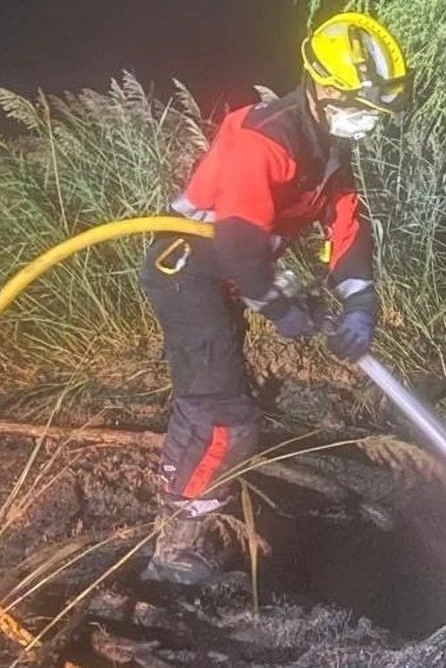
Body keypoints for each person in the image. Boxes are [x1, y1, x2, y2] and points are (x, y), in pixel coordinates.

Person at [139, 12, 411, 584]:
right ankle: (173, 551)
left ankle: (190, 476)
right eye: (367, 106)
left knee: (213, 393)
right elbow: (238, 243)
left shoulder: (328, 146)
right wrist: (282, 307)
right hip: (190, 273)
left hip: (230, 273)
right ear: (327, 88)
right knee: (226, 419)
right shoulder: (265, 140)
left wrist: (360, 305)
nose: (371, 122)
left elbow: (348, 227)